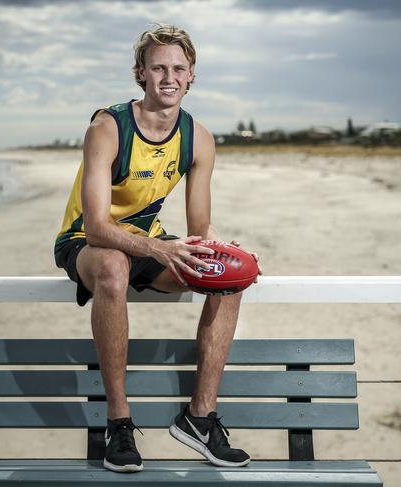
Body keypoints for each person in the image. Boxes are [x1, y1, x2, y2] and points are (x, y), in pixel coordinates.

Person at [54, 24, 260, 473]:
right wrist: (158, 250)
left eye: (179, 68)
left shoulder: (197, 137)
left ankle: (199, 419)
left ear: (191, 77)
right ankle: (119, 423)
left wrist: (217, 253)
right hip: (88, 243)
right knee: (112, 267)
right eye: (159, 67)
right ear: (141, 74)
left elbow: (199, 229)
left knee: (229, 277)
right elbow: (95, 228)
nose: (169, 76)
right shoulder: (107, 128)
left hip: (149, 243)